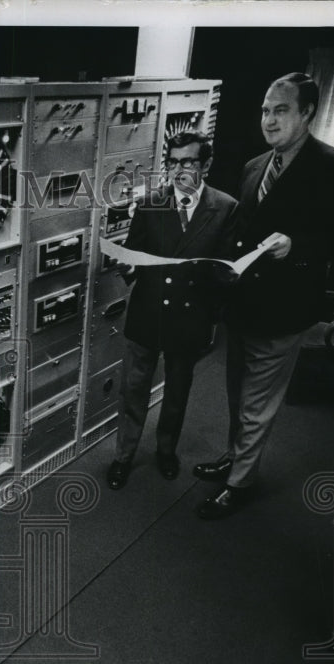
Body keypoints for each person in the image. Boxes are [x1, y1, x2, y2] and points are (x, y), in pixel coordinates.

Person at [193, 72, 334, 519]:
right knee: (236, 395)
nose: (269, 120)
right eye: (266, 110)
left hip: (285, 309)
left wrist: (297, 247)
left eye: (281, 110)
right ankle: (236, 458)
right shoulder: (253, 166)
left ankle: (240, 484)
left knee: (256, 404)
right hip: (242, 305)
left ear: (308, 113)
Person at [107, 130, 239, 490]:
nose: (178, 169)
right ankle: (123, 456)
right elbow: (134, 252)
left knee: (177, 393)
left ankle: (166, 451)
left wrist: (220, 288)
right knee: (133, 390)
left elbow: (224, 266)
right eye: (173, 162)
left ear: (205, 165)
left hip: (190, 316)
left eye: (188, 162)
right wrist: (126, 264)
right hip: (148, 313)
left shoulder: (225, 207)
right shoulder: (150, 203)